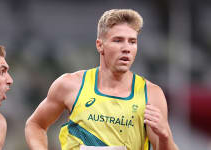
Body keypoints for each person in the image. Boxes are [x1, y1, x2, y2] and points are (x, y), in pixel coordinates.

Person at [25, 9, 178, 150]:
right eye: (118, 40)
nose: (126, 48)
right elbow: (35, 125)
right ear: (100, 45)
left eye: (132, 41)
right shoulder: (71, 85)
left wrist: (166, 136)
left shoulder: (151, 94)